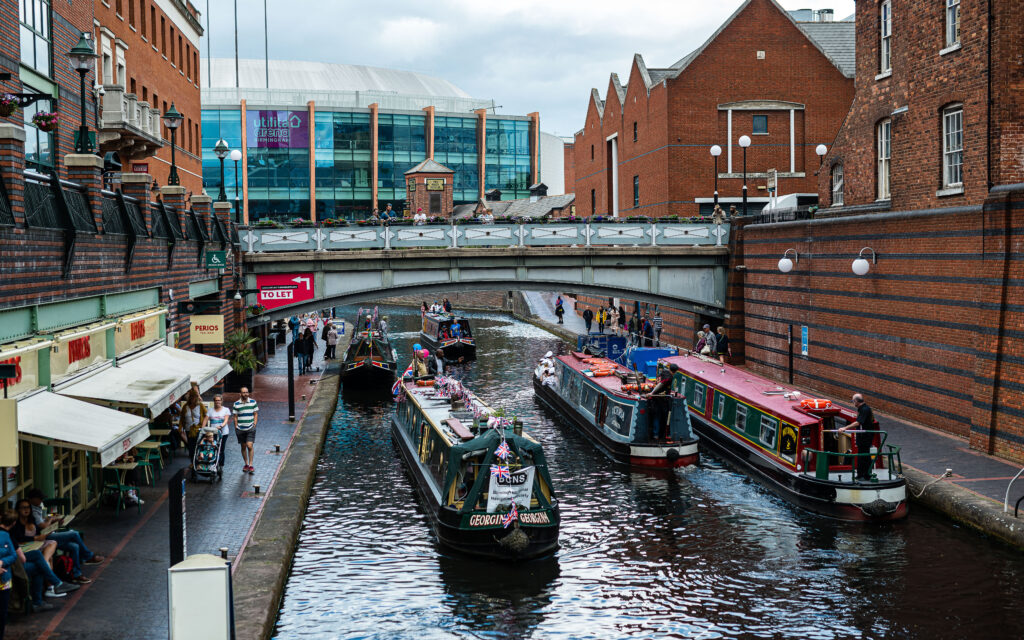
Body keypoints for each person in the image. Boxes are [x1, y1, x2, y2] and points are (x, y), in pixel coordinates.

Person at [25, 489, 103, 581]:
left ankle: (76, 575)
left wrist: (54, 519)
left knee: (75, 546)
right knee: (74, 534)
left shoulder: (37, 506)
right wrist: (50, 519)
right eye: (39, 498)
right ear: (32, 499)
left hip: (48, 534)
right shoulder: (31, 510)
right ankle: (88, 557)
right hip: (42, 537)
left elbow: (42, 520)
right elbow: (43, 525)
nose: (41, 500)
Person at [840, 394, 878, 481]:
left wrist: (844, 428)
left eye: (853, 401)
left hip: (865, 437)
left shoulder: (864, 409)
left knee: (863, 456)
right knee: (863, 455)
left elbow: (858, 422)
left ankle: (864, 475)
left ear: (856, 401)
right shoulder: (864, 409)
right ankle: (863, 474)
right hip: (863, 437)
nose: (853, 403)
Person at [645, 363, 679, 440]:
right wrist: (652, 393)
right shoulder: (669, 377)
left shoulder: (663, 372)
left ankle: (657, 434)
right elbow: (660, 384)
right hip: (659, 399)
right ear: (675, 371)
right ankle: (658, 434)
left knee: (657, 416)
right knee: (659, 416)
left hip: (656, 398)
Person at [179, 384, 207, 467]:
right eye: (191, 397)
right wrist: (180, 428)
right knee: (191, 447)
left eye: (194, 397)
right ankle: (192, 462)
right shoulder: (185, 407)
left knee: (198, 446)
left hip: (198, 429)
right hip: (188, 430)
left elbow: (206, 415)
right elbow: (182, 418)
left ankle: (199, 462)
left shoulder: (200, 406)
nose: (193, 399)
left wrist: (203, 426)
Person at [233, 387, 259, 475]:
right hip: (240, 429)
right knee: (243, 447)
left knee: (250, 445)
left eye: (247, 392)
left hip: (250, 427)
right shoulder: (236, 404)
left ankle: (251, 465)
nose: (245, 394)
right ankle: (246, 464)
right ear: (240, 394)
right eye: (243, 392)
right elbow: (235, 417)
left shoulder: (253, 402)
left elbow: (255, 414)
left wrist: (254, 424)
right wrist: (236, 427)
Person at [205, 394, 232, 472]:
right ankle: (213, 463)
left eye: (219, 400)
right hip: (213, 433)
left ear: (221, 401)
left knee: (221, 449)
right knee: (213, 447)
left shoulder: (226, 409)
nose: (217, 402)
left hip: (223, 432)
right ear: (214, 401)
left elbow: (226, 420)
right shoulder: (210, 410)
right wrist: (203, 428)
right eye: (216, 400)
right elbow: (205, 419)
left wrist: (221, 426)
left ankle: (221, 465)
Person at [0, 513, 17, 631]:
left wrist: (2, 562)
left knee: (2, 614)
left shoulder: (5, 535)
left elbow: (13, 555)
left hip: (3, 579)